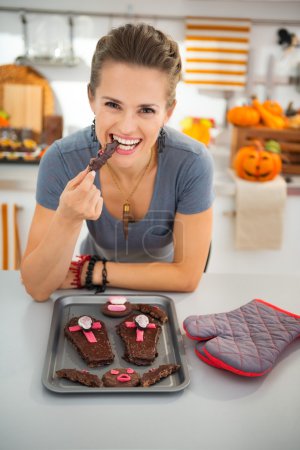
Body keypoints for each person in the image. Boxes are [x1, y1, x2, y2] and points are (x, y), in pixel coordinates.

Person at [21, 22, 214, 302]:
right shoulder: (61, 159)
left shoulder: (192, 163)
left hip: (162, 293)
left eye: (146, 110)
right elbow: (37, 288)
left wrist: (90, 271)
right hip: (94, 297)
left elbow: (186, 276)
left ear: (168, 112)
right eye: (113, 105)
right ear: (92, 98)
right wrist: (67, 217)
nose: (126, 127)